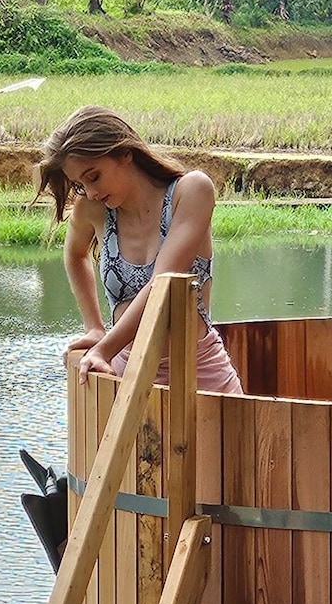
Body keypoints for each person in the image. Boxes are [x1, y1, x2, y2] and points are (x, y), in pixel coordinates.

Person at [37, 105, 242, 395]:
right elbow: (74, 254)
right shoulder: (93, 209)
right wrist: (94, 327)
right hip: (124, 372)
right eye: (79, 184)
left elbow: (163, 283)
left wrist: (103, 348)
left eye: (93, 176)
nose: (91, 192)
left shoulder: (191, 191)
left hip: (202, 377)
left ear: (125, 153)